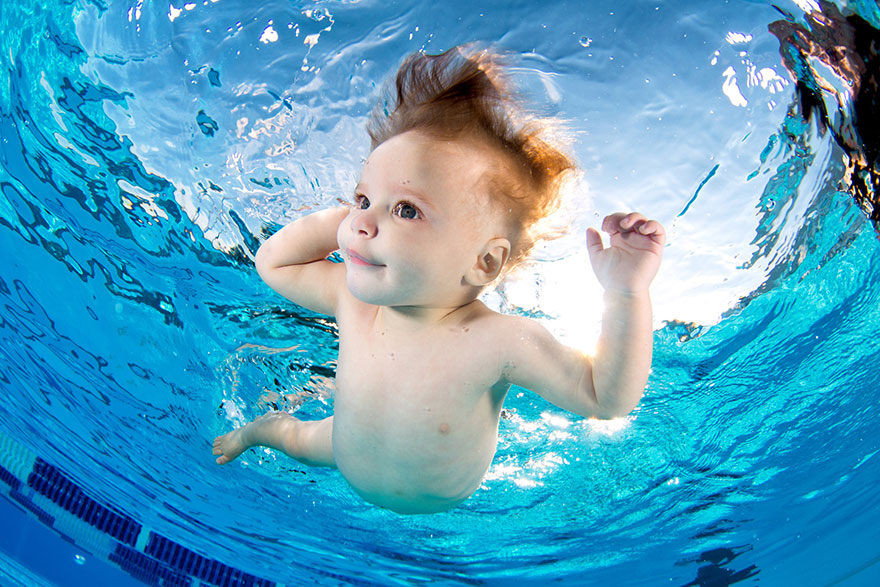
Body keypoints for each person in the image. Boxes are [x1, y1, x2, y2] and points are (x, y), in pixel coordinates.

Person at [212, 46, 665, 515]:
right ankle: (254, 432)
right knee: (288, 436)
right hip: (341, 450)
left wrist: (626, 292)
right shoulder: (354, 300)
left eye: (406, 210)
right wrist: (350, 219)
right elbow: (274, 264)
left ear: (484, 262)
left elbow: (603, 397)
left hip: (443, 495)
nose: (362, 222)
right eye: (362, 199)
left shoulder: (498, 341)